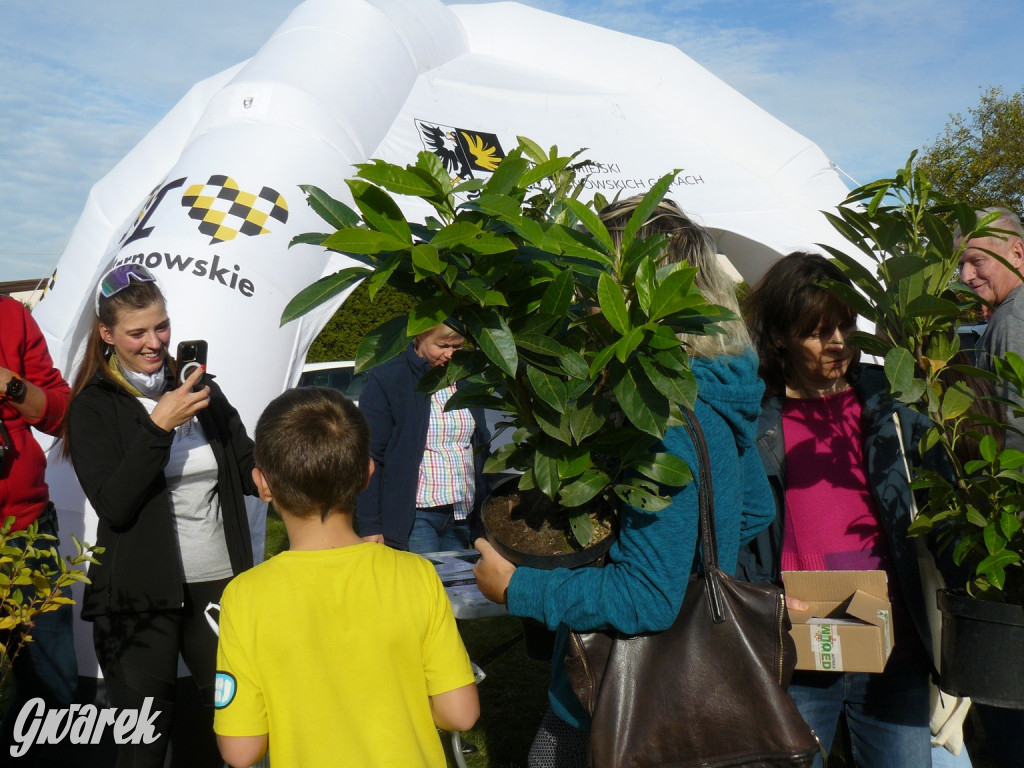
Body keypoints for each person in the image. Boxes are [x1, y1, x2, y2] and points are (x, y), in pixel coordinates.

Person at [473, 198, 776, 768]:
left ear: (630, 289)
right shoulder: (721, 383)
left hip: (618, 694)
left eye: (591, 278)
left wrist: (516, 587)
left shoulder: (654, 413)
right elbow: (752, 509)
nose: (583, 300)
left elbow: (650, 599)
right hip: (700, 676)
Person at [738, 251, 956, 768]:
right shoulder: (755, 418)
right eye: (818, 331)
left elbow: (938, 499)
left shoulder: (890, 401)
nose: (838, 344)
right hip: (796, 646)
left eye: (845, 327)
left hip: (894, 647)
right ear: (781, 338)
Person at [213, 386, 479, 768]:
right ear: (367, 474)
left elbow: (241, 750)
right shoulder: (416, 574)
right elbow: (460, 714)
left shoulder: (244, 596)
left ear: (262, 483)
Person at [63, 263, 258, 767]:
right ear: (107, 334)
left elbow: (244, 462)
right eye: (137, 332)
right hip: (138, 594)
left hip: (217, 583)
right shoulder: (92, 406)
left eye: (162, 326)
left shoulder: (198, 385)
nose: (154, 342)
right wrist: (158, 426)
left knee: (230, 728)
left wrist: (293, 476)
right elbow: (115, 503)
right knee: (143, 743)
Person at [0, 294, 78, 762]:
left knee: (53, 689)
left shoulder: (11, 315)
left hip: (28, 533)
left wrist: (12, 387)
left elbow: (63, 413)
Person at [357, 322, 490, 553]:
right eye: (442, 345)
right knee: (424, 585)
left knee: (455, 588)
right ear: (420, 336)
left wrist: (485, 513)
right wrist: (370, 524)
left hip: (461, 513)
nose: (450, 354)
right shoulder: (388, 378)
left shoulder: (467, 378)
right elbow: (369, 456)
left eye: (457, 346)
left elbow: (480, 446)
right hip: (416, 516)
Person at [957, 206, 1024, 450]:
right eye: (961, 264)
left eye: (978, 261)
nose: (966, 276)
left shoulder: (1014, 319)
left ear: (1017, 253)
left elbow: (1017, 428)